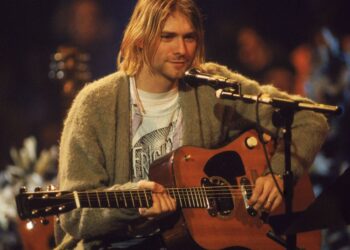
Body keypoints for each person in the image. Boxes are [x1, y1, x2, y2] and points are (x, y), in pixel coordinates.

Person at [54, 0, 329, 249]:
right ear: (140, 39)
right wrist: (132, 206)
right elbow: (74, 214)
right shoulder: (94, 104)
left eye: (189, 38)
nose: (181, 50)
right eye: (168, 37)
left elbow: (309, 118)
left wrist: (279, 175)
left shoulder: (211, 88)